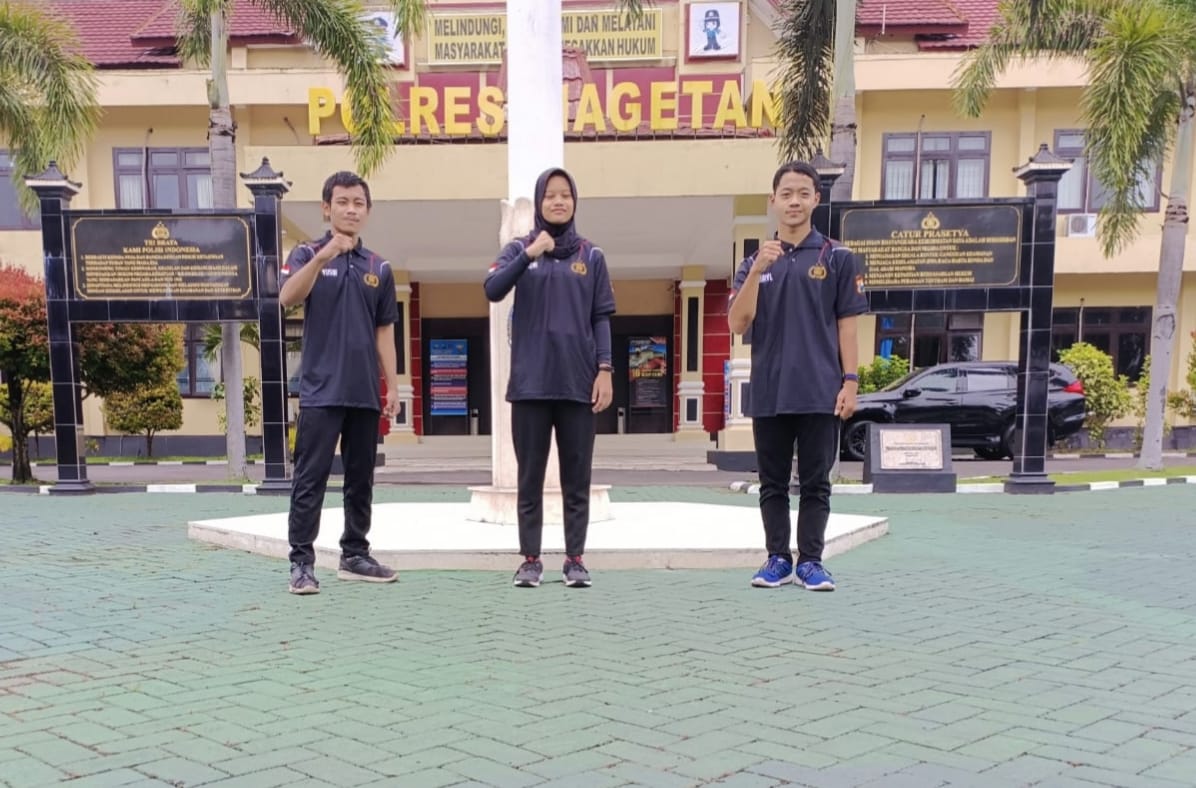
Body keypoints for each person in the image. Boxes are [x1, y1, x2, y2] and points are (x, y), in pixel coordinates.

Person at [727, 161, 868, 592]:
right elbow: (737, 322)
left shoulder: (838, 257)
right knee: (771, 483)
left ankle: (811, 562)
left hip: (819, 390)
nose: (794, 201)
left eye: (803, 194)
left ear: (816, 200)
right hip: (769, 390)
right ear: (773, 201)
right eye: (786, 194)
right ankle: (777, 559)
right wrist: (756, 270)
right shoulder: (754, 262)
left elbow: (847, 326)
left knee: (815, 483)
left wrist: (850, 382)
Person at [484, 167, 616, 588]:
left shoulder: (591, 256)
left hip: (578, 386)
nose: (558, 202)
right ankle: (530, 560)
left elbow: (601, 317)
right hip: (530, 386)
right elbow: (492, 288)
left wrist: (605, 370)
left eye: (565, 195)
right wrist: (529, 254)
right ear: (539, 202)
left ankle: (575, 560)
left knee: (578, 479)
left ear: (574, 201)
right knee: (530, 479)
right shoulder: (520, 249)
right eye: (550, 195)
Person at [278, 171, 400, 595]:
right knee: (310, 479)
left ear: (368, 211)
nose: (351, 210)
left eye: (358, 203)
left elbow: (384, 332)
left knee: (360, 479)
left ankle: (355, 554)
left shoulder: (379, 267)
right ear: (326, 208)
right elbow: (287, 297)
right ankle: (301, 563)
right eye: (343, 202)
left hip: (364, 392)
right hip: (320, 391)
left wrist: (392, 387)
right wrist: (323, 257)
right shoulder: (306, 253)